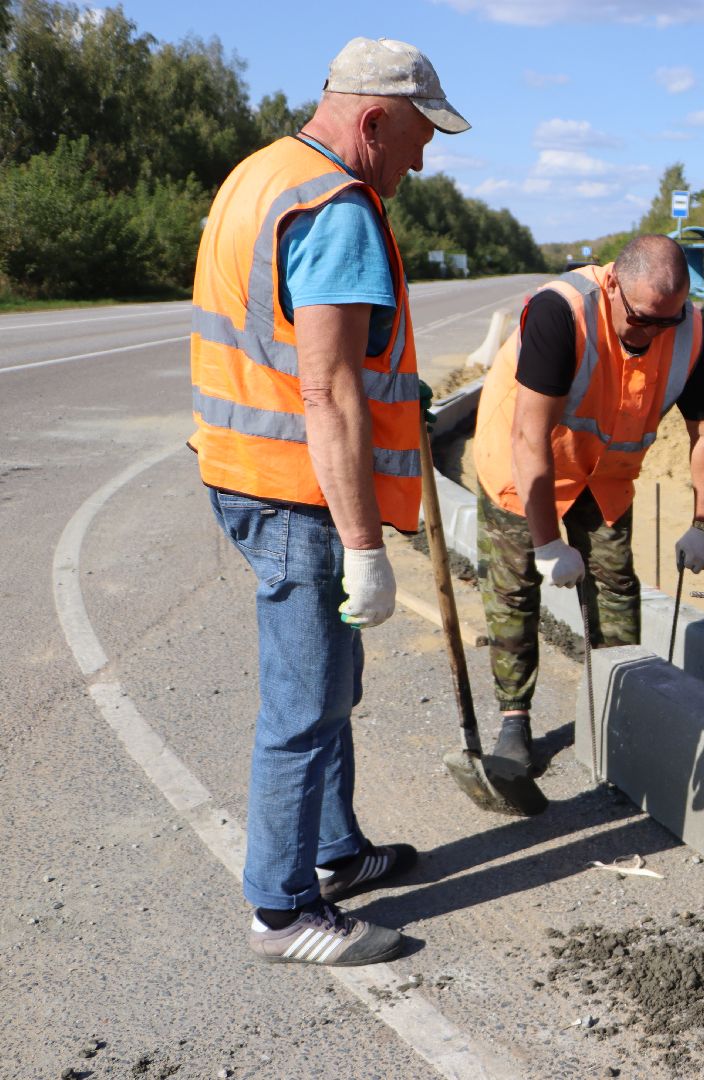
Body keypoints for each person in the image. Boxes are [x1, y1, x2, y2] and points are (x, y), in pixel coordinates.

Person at [189, 37, 469, 966]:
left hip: (244, 473)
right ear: (375, 119)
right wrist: (363, 545)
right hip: (298, 496)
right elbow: (331, 390)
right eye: (418, 139)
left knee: (328, 687)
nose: (420, 162)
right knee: (306, 707)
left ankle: (335, 854)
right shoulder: (338, 207)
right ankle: (281, 911)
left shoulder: (260, 174)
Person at [472, 235, 704, 775]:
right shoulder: (559, 312)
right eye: (642, 319)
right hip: (522, 465)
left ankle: (620, 708)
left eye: (667, 322)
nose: (653, 333)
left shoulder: (689, 331)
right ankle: (514, 720)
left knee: (615, 583)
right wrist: (546, 543)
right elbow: (528, 437)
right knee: (515, 589)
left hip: (604, 472)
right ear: (613, 285)